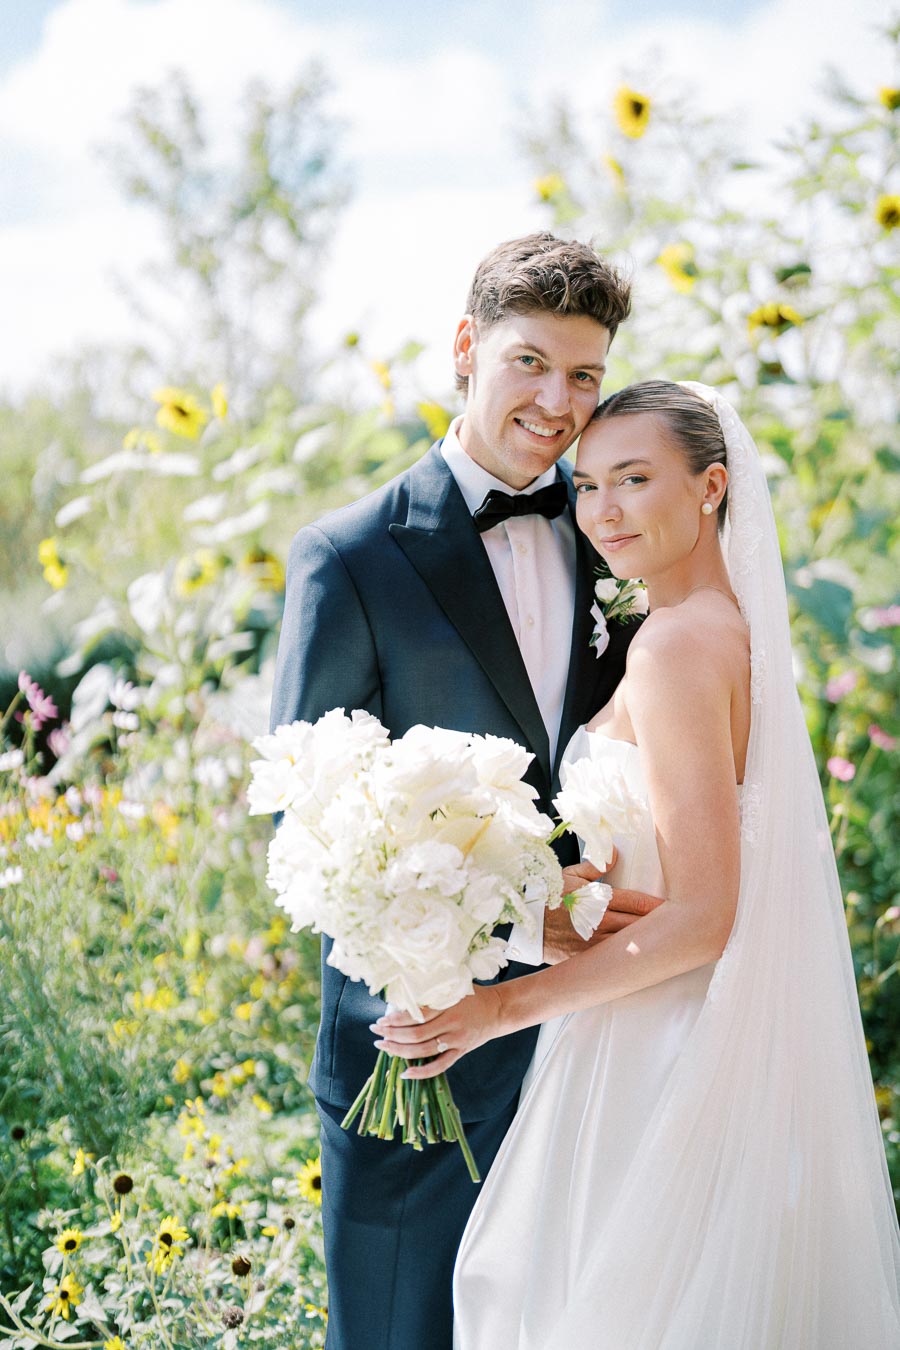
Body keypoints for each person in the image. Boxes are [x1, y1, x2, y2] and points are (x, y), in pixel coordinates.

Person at [373, 380, 900, 1348]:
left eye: (635, 479)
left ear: (711, 487)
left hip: (657, 1048)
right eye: (587, 484)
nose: (603, 509)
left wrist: (496, 1009)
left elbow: (704, 917)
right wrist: (559, 898)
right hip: (649, 1018)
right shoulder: (720, 633)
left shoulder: (677, 649)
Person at [269, 232, 638, 1350]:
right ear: (468, 348)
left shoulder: (616, 529)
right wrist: (456, 955)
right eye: (531, 362)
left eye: (584, 374)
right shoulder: (351, 556)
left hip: (592, 1037)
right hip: (420, 1048)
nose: (557, 401)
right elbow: (314, 823)